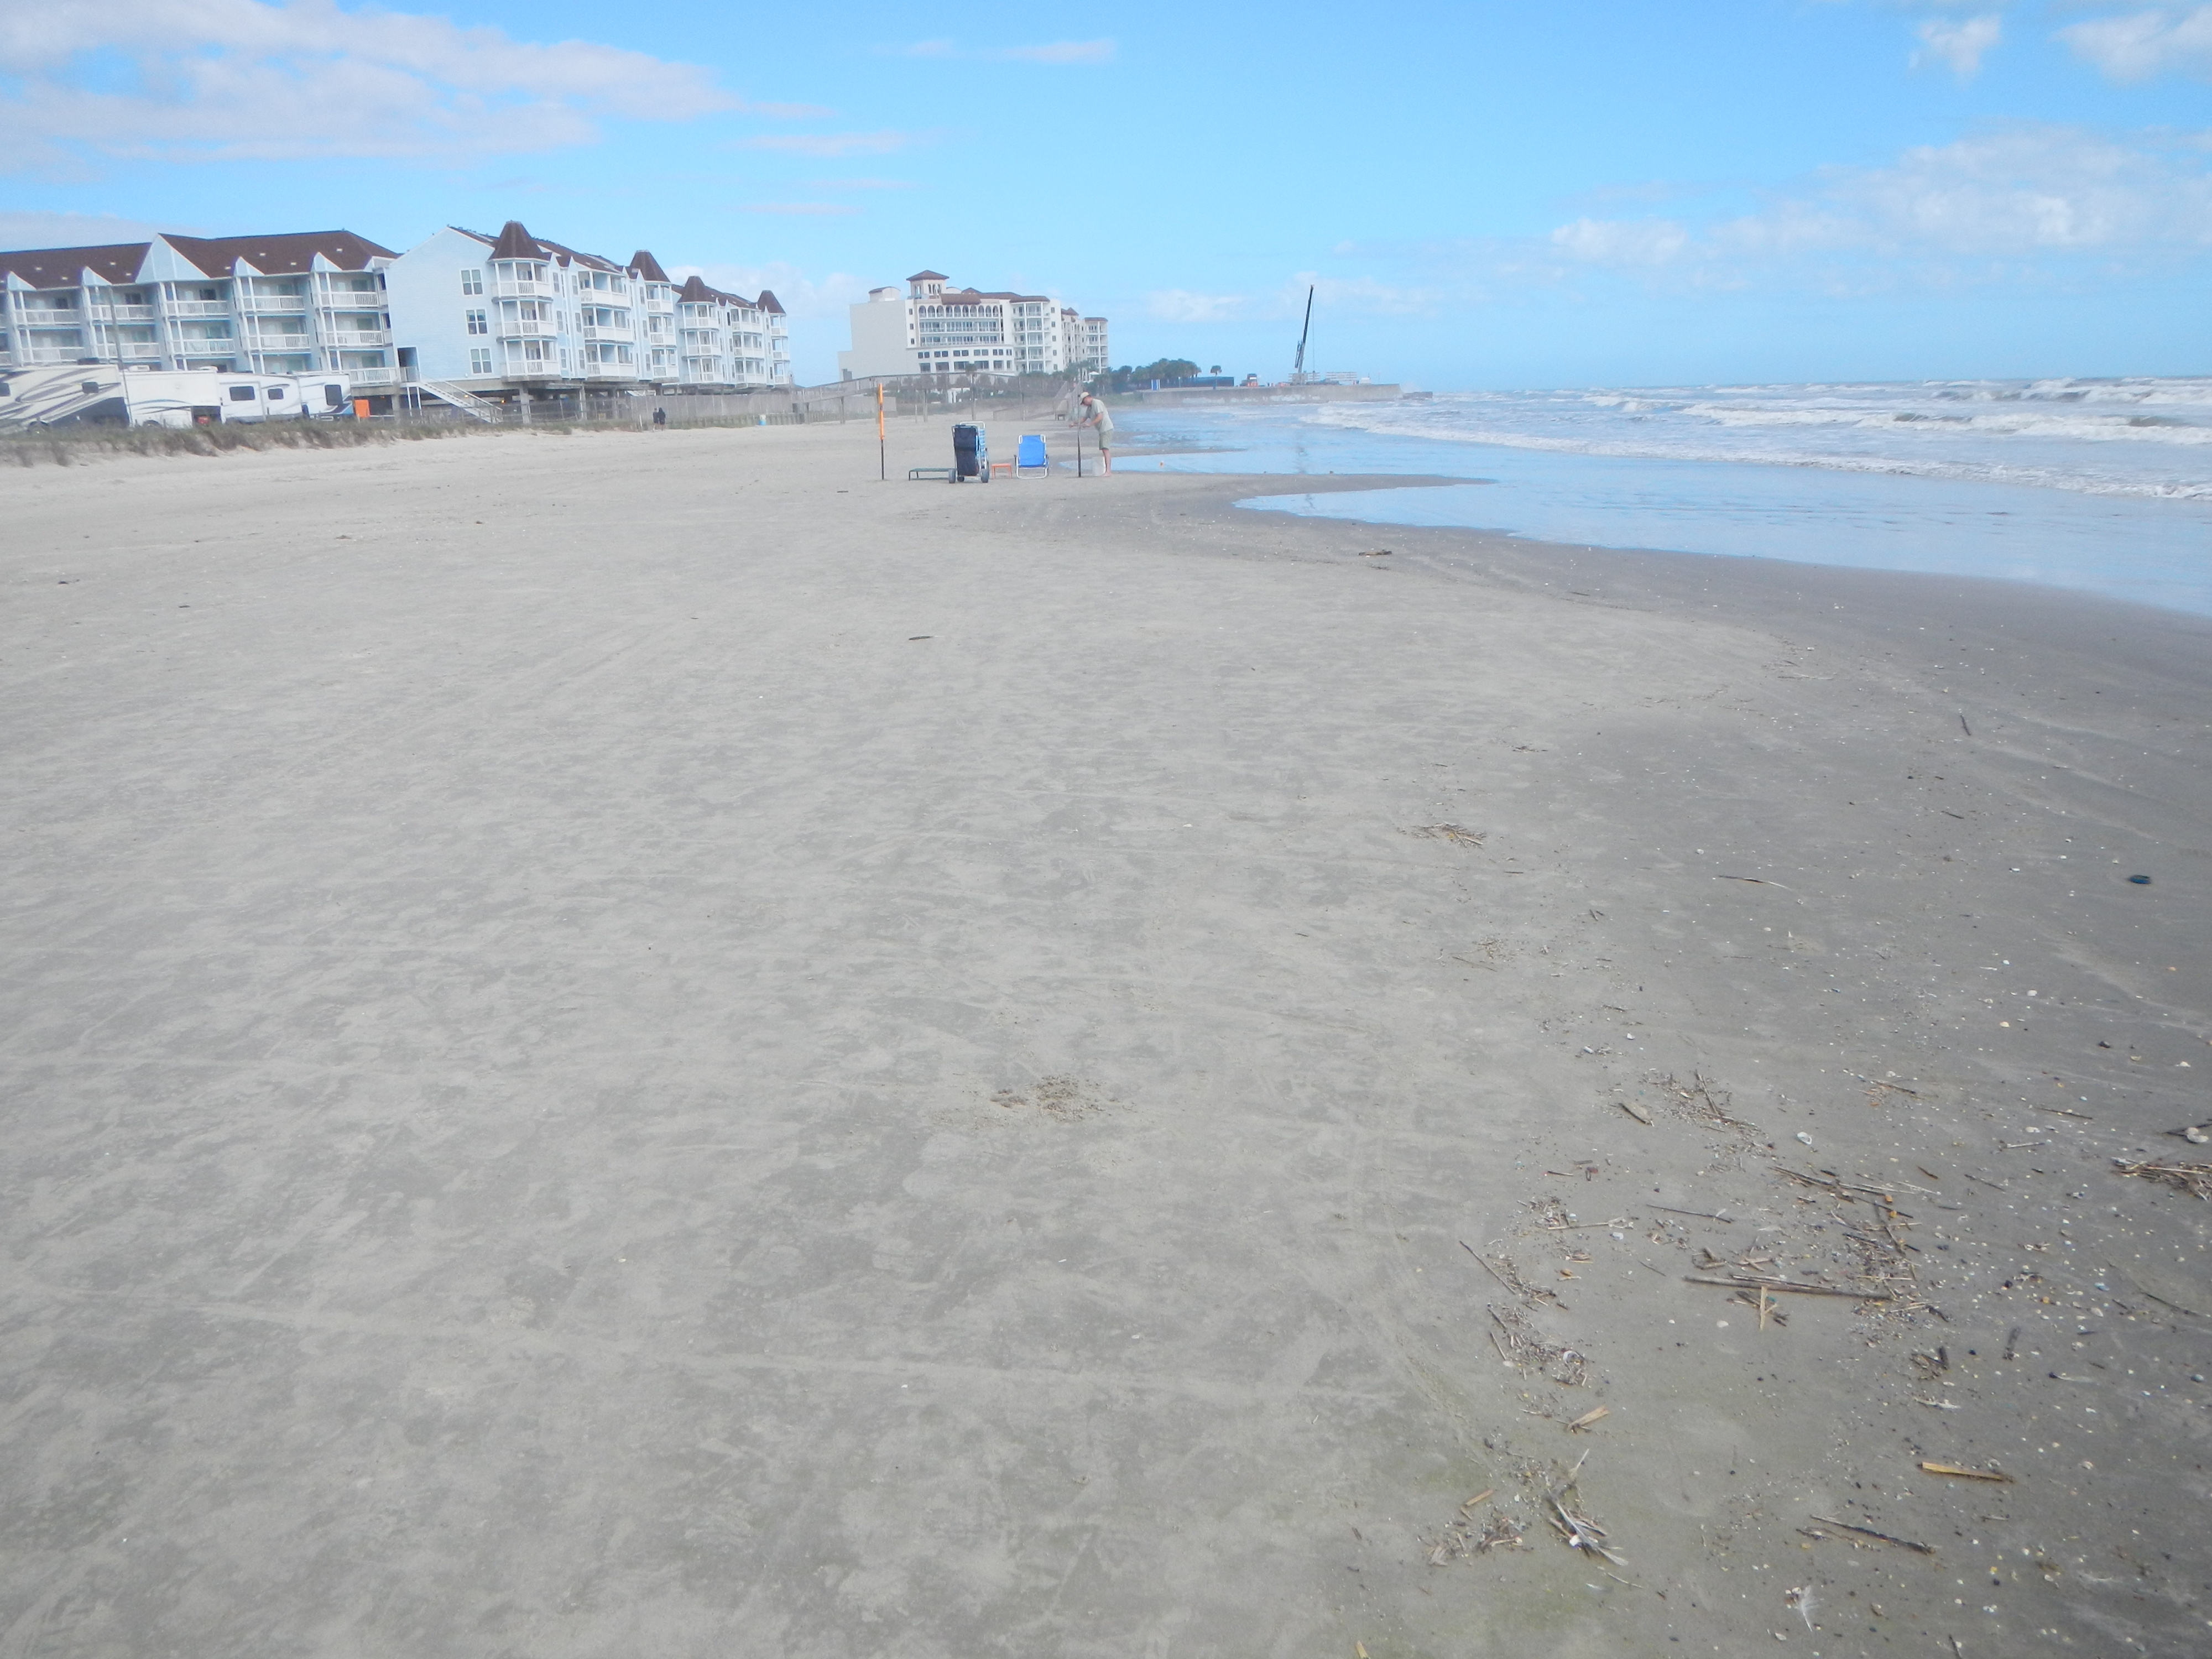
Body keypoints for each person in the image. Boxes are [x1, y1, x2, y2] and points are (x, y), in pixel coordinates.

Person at [1074, 391, 1114, 475]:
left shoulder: (1097, 403)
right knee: (1104, 449)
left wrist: (1090, 424)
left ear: (1087, 398)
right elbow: (1084, 418)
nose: (1084, 404)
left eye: (1084, 402)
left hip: (1106, 428)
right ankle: (1108, 471)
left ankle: (1108, 471)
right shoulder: (1090, 408)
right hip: (1102, 430)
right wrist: (1074, 423)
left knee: (1105, 449)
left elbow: (1100, 417)